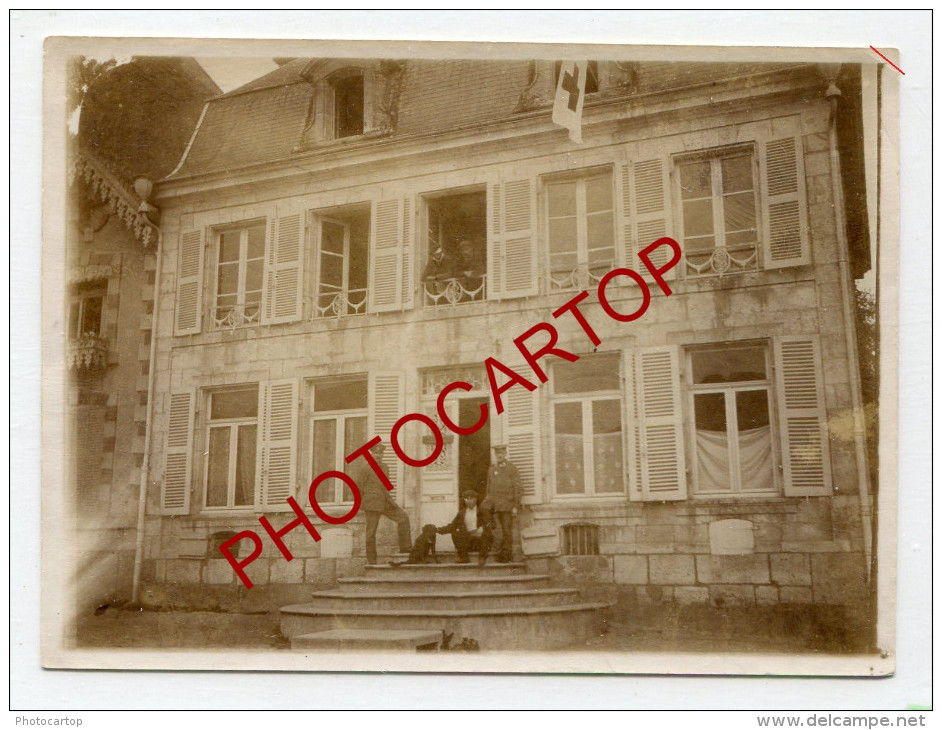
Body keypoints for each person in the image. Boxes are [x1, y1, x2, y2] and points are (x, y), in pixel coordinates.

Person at [351, 442, 412, 565]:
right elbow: (358, 487)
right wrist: (363, 502)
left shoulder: (385, 467)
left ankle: (405, 547)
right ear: (371, 454)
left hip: (385, 501)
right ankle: (372, 561)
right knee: (371, 533)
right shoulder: (365, 468)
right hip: (372, 503)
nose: (378, 455)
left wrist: (391, 501)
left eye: (380, 453)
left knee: (403, 518)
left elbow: (385, 486)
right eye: (376, 453)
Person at [484, 444, 522, 563]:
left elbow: (517, 488)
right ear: (495, 455)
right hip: (495, 505)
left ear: (505, 454)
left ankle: (506, 555)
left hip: (507, 505)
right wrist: (488, 504)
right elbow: (489, 489)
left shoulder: (512, 468)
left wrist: (515, 505)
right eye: (497, 453)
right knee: (497, 530)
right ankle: (499, 552)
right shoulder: (492, 469)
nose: (499, 455)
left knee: (506, 530)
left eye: (501, 453)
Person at [437, 489, 494, 565]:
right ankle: (464, 557)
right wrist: (438, 530)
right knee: (456, 532)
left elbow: (492, 524)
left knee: (486, 533)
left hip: (481, 541)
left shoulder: (483, 511)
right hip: (468, 541)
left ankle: (482, 557)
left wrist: (483, 528)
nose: (469, 501)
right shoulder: (462, 513)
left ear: (476, 499)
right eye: (466, 499)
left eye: (471, 498)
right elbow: (453, 525)